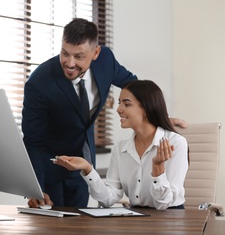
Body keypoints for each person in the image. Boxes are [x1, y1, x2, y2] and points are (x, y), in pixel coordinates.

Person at [22, 18, 187, 208]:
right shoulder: (39, 83)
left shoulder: (106, 60)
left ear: (96, 52)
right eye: (65, 53)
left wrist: (156, 114)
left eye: (79, 56)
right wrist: (35, 188)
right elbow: (33, 140)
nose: (69, 63)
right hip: (51, 169)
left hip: (83, 164)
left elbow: (135, 88)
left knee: (80, 225)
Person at [54, 80, 189, 210]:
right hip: (137, 218)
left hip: (170, 219)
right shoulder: (121, 148)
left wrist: (158, 167)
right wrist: (87, 168)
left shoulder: (175, 143)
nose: (118, 109)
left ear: (147, 109)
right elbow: (108, 199)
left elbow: (163, 204)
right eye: (119, 103)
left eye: (127, 104)